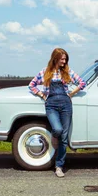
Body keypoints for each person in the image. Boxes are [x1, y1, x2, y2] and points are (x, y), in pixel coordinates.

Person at [28, 48, 86, 178]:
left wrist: (71, 93)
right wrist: (42, 95)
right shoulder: (45, 71)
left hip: (66, 104)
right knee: (58, 129)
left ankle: (59, 166)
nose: (64, 61)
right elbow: (31, 85)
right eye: (62, 59)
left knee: (64, 138)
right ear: (55, 58)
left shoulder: (68, 71)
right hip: (51, 105)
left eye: (65, 59)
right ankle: (54, 136)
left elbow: (82, 83)